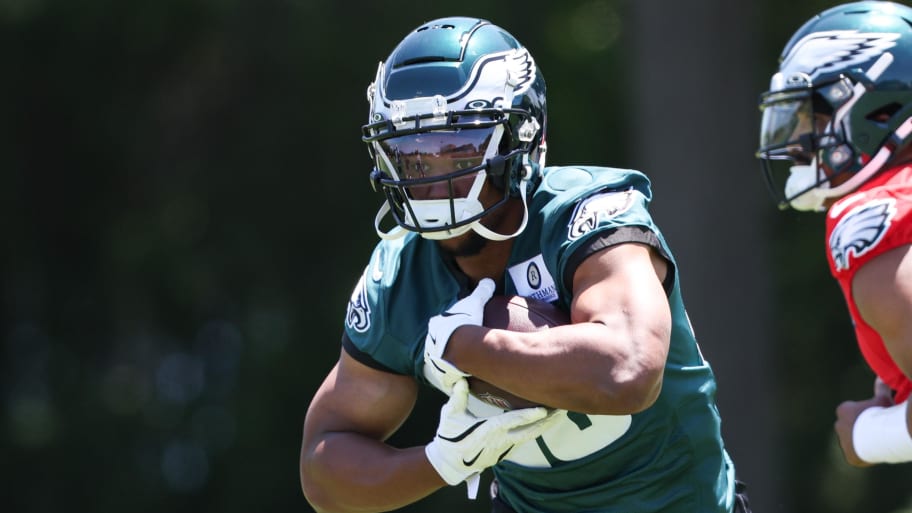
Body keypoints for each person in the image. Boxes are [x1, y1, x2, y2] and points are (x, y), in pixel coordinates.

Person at [301, 16, 751, 513]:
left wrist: (465, 347)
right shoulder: (401, 271)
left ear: (522, 137)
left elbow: (628, 368)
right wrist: (443, 462)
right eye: (410, 156)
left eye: (455, 150)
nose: (430, 183)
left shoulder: (585, 215)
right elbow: (323, 472)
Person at [756, 1, 912, 467]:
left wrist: (870, 436)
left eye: (816, 118)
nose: (802, 141)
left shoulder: (875, 219)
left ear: (876, 107)